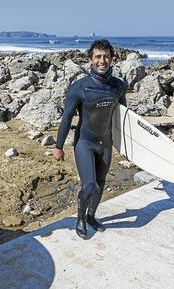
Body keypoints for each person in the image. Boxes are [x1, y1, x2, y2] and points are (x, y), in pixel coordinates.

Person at [53, 39, 127, 239]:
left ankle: (92, 216)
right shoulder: (79, 87)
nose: (102, 61)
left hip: (106, 143)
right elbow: (67, 118)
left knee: (101, 183)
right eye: (98, 57)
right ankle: (80, 219)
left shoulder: (118, 86)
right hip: (85, 143)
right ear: (91, 59)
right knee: (89, 185)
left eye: (106, 57)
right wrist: (58, 146)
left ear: (111, 59)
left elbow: (123, 117)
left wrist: (127, 147)